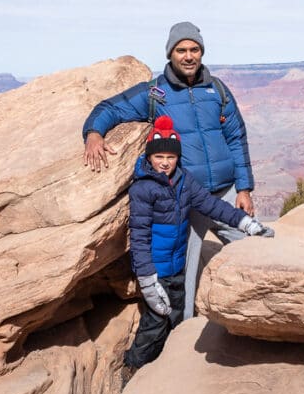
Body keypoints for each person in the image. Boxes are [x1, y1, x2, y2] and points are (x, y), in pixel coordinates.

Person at [83, 21, 256, 318]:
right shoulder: (155, 94)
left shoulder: (217, 89)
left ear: (201, 52)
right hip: (186, 196)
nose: (188, 56)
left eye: (194, 49)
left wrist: (244, 188)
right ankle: (182, 338)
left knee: (256, 249)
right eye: (181, 50)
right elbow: (110, 108)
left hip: (226, 192)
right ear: (170, 54)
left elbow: (236, 137)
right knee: (184, 275)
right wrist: (93, 132)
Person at [123, 116, 271, 374]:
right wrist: (147, 280)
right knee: (155, 323)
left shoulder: (184, 181)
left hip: (177, 267)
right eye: (159, 157)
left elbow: (212, 205)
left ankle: (167, 369)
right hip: (156, 272)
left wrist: (246, 223)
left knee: (177, 319)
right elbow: (139, 236)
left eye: (170, 157)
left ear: (177, 157)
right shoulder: (143, 190)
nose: (165, 163)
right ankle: (134, 369)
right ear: (150, 157)